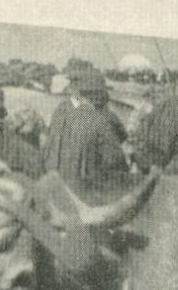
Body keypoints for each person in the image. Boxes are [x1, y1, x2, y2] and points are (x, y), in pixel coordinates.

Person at [42, 66, 131, 199]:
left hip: (54, 190)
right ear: (97, 95)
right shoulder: (100, 120)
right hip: (84, 197)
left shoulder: (59, 111)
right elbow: (117, 163)